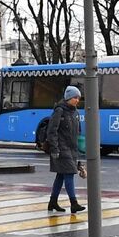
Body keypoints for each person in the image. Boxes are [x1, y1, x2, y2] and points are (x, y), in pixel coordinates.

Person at [47, 85, 86, 214]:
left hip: (72, 149)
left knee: (61, 176)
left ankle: (52, 202)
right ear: (68, 98)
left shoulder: (75, 112)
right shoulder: (59, 111)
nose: (77, 100)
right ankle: (73, 203)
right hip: (61, 148)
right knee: (69, 174)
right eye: (75, 97)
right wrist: (54, 148)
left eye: (78, 97)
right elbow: (52, 131)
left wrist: (80, 148)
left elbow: (78, 132)